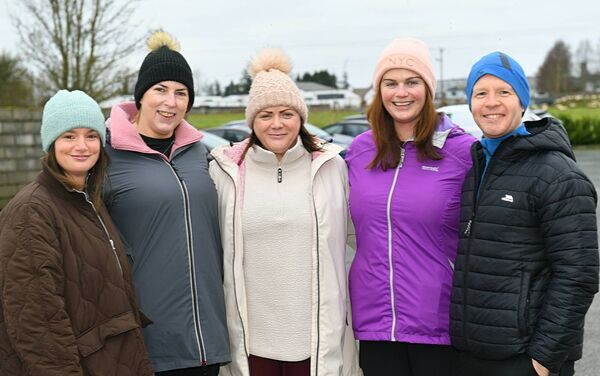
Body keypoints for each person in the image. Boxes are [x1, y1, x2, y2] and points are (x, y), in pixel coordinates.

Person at [209, 47, 361, 376]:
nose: (277, 124)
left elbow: (360, 239)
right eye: (266, 115)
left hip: (317, 341)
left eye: (287, 114)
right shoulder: (225, 172)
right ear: (252, 121)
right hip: (250, 344)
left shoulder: (331, 167)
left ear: (301, 118)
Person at [450, 51, 599, 376]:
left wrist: (541, 363)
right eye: (481, 93)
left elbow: (579, 275)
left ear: (522, 101)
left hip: (525, 361)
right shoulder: (476, 166)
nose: (491, 103)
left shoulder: (558, 174)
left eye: (504, 92)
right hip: (471, 354)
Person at [345, 38, 476, 376]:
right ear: (379, 91)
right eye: (390, 83)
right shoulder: (359, 152)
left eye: (412, 82)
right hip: (375, 324)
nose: (401, 92)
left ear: (428, 89)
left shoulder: (463, 152)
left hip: (439, 324)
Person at [103, 30, 230, 375]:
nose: (170, 102)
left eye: (181, 92)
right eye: (160, 90)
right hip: (146, 343)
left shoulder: (199, 154)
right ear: (141, 96)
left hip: (206, 343)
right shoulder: (106, 156)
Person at [0, 90, 153, 375]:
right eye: (69, 136)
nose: (82, 146)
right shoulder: (33, 211)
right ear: (51, 143)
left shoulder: (87, 200)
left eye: (91, 136)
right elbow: (37, 323)